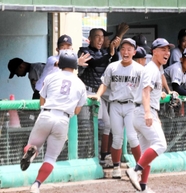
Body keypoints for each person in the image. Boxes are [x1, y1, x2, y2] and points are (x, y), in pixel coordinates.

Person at [19, 49, 88, 193]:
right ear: (75, 65)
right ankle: (36, 185)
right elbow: (77, 111)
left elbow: (42, 100)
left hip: (46, 114)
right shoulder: (80, 84)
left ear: (60, 63)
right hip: (63, 119)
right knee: (50, 158)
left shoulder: (51, 77)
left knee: (32, 145)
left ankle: (32, 150)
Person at [125, 38, 174, 192]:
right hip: (143, 112)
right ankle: (134, 170)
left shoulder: (157, 69)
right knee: (161, 145)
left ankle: (143, 187)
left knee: (148, 151)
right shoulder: (151, 69)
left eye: (168, 50)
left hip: (143, 111)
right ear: (154, 52)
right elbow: (145, 91)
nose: (167, 53)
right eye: (163, 49)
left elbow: (151, 91)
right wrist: (148, 113)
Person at [89, 38, 143, 179]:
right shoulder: (113, 66)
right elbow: (104, 83)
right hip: (115, 105)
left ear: (134, 52)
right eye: (123, 48)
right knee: (117, 138)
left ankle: (139, 168)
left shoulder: (139, 69)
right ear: (120, 50)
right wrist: (98, 95)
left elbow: (147, 87)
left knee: (132, 137)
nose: (126, 52)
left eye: (129, 49)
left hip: (132, 105)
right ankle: (116, 167)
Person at [78, 28, 121, 167]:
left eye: (102, 37)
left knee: (106, 125)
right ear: (90, 38)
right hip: (86, 93)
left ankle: (103, 156)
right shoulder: (84, 51)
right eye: (97, 36)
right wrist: (109, 52)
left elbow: (114, 64)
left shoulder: (104, 52)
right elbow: (94, 63)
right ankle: (82, 155)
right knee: (85, 127)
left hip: (98, 94)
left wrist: (113, 50)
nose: (100, 39)